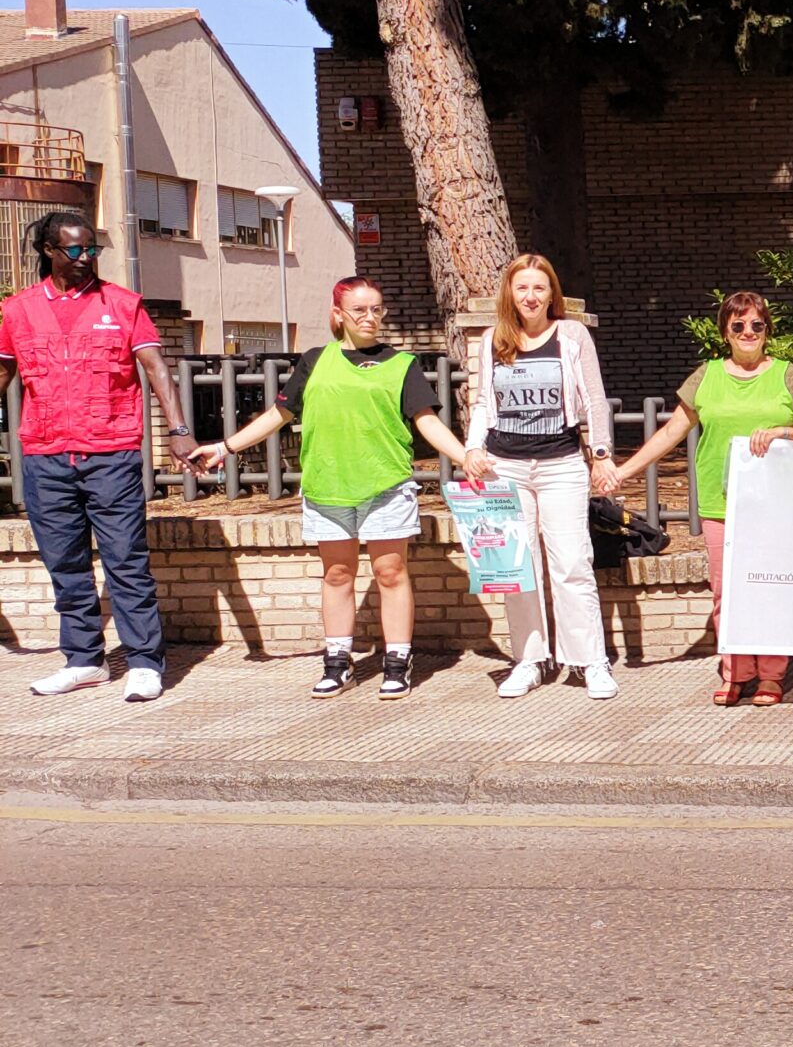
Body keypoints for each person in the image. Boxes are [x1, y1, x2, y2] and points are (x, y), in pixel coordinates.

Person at [195, 277, 474, 698]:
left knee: (390, 572)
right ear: (338, 314)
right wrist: (224, 446)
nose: (370, 318)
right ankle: (337, 661)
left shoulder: (403, 365)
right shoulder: (314, 360)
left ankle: (397, 661)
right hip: (327, 485)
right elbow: (278, 415)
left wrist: (466, 456)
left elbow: (428, 421)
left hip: (385, 484)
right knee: (338, 573)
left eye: (377, 309)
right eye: (359, 310)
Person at [0, 210, 198, 700]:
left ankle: (145, 662)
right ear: (49, 250)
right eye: (75, 249)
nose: (86, 258)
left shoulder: (123, 304)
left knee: (125, 560)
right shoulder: (18, 310)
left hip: (111, 453)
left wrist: (178, 430)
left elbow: (157, 369)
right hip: (46, 456)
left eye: (92, 249)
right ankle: (84, 660)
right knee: (64, 564)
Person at [611, 291, 793, 707]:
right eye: (738, 325)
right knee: (726, 590)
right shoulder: (705, 376)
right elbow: (671, 433)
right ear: (725, 330)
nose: (748, 333)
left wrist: (782, 432)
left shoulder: (787, 374)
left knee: (770, 589)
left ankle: (772, 676)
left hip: (775, 504)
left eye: (756, 325)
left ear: (767, 330)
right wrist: (622, 471)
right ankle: (735, 671)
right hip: (720, 502)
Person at [460, 254, 620, 699]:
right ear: (509, 293)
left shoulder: (571, 335)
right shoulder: (495, 339)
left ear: (552, 293)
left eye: (539, 288)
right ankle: (529, 659)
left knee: (571, 563)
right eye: (522, 288)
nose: (530, 297)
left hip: (561, 464)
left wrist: (602, 454)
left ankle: (590, 661)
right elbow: (482, 404)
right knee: (519, 566)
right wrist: (474, 447)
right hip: (506, 465)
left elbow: (595, 398)